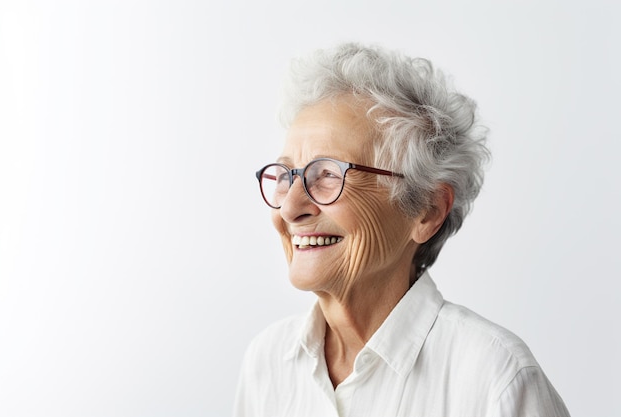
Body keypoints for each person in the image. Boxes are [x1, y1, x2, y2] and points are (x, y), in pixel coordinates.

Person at [234, 43, 570, 417]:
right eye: (285, 175)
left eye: (327, 174)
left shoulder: (495, 378)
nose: (290, 208)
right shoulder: (267, 363)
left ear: (426, 210)